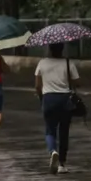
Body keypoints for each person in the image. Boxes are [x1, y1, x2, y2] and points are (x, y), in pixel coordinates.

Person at [34, 43, 80, 174]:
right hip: (65, 100)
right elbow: (78, 82)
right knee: (64, 131)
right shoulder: (68, 63)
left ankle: (53, 151)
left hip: (48, 99)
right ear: (62, 49)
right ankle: (62, 164)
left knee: (50, 129)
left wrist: (41, 97)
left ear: (49, 49)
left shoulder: (42, 63)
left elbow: (37, 85)